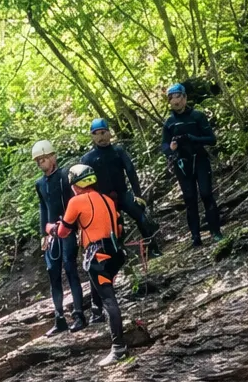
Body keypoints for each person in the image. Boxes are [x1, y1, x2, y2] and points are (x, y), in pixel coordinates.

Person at [53, 162, 129, 365]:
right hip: (114, 254)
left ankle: (119, 348)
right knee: (103, 292)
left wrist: (52, 228)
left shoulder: (76, 202)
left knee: (110, 300)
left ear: (76, 185)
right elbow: (119, 228)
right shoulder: (107, 200)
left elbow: (63, 232)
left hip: (98, 256)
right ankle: (96, 314)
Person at [32, 139, 88, 334]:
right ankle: (59, 318)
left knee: (70, 267)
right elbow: (43, 208)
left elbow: (75, 201)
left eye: (43, 159)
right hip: (52, 232)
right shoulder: (40, 184)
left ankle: (79, 314)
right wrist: (43, 234)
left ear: (52, 157)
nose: (41, 164)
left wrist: (76, 226)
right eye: (38, 161)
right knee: (52, 272)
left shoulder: (65, 176)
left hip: (68, 228)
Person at [161, 83, 222, 247]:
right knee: (190, 199)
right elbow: (164, 145)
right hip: (182, 165)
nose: (176, 101)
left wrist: (192, 138)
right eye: (172, 98)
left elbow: (212, 139)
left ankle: (216, 232)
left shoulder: (197, 116)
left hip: (200, 160)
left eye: (178, 97)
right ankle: (195, 237)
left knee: (206, 194)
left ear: (185, 97)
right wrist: (171, 149)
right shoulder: (169, 123)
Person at [80, 119, 157, 247]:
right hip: (103, 199)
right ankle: (121, 254)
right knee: (115, 228)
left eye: (103, 132)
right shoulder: (87, 159)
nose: (100, 137)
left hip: (123, 194)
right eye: (96, 134)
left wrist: (138, 195)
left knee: (142, 217)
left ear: (109, 133)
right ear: (92, 137)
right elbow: (84, 185)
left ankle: (153, 248)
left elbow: (130, 171)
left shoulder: (118, 151)